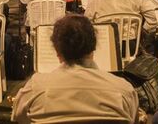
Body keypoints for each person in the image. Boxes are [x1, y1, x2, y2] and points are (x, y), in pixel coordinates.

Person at [11, 14, 139, 123]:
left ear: (57, 51)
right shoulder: (123, 89)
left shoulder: (37, 86)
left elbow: (19, 118)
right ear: (93, 47)